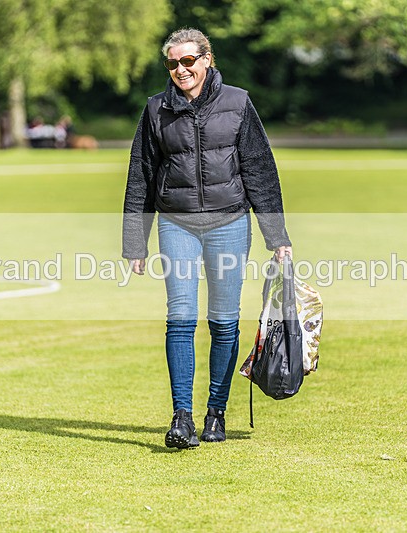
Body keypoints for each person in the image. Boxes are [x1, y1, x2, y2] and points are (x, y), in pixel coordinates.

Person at [122, 27, 292, 449]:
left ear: (207, 59)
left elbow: (259, 170)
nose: (181, 70)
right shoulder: (156, 109)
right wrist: (134, 242)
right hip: (176, 224)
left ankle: (216, 412)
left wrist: (277, 236)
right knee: (180, 317)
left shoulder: (238, 103)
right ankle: (182, 417)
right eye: (173, 63)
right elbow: (140, 174)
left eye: (188, 61)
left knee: (223, 321)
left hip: (230, 224)